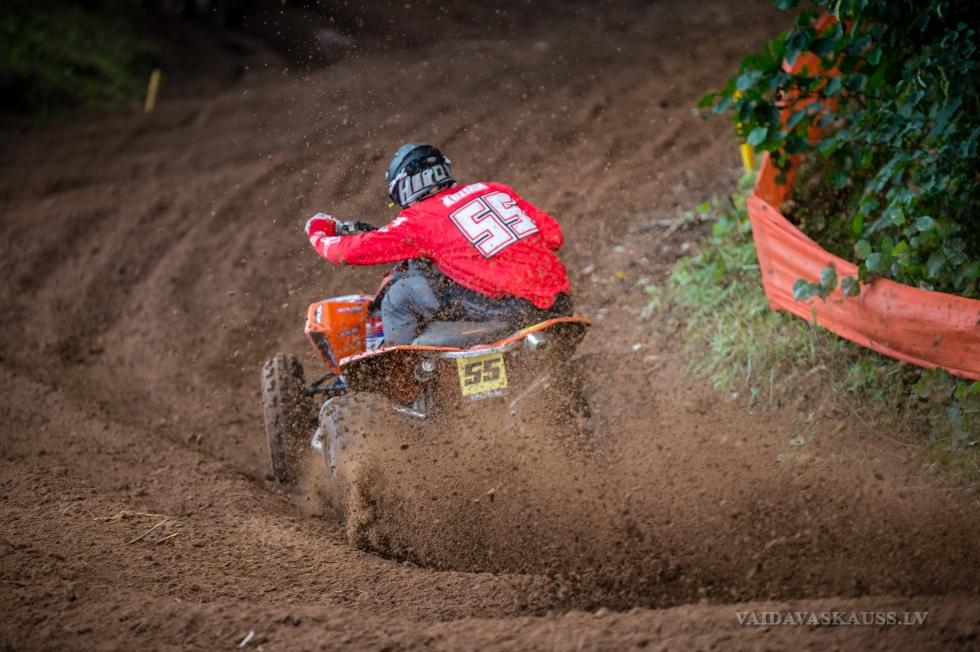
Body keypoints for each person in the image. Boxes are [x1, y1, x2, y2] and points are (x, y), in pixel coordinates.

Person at [304, 142, 572, 345]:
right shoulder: (495, 190)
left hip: (511, 310)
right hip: (560, 301)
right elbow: (553, 236)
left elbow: (347, 253)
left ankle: (403, 385)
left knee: (400, 296)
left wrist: (319, 232)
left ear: (403, 187)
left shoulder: (421, 219)